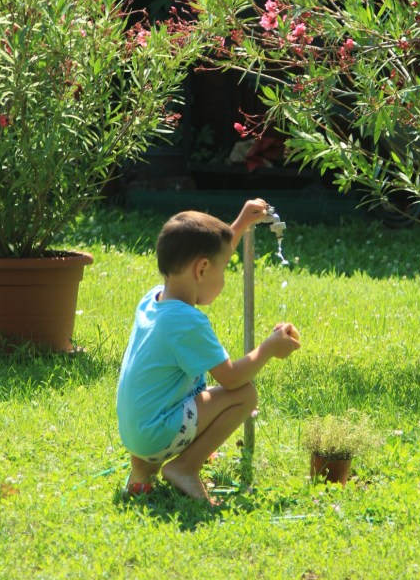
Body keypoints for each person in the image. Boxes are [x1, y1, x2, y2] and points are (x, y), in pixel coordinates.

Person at [116, 199, 300, 501]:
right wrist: (269, 348)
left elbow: (211, 252)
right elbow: (231, 379)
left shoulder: (154, 300)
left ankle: (142, 473)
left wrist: (239, 225)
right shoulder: (187, 322)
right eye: (224, 269)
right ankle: (184, 467)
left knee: (175, 390)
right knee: (244, 396)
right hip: (157, 433)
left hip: (136, 431)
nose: (224, 278)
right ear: (202, 270)